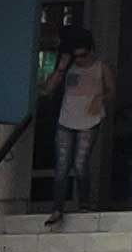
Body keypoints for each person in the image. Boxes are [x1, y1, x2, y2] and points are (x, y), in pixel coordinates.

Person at [49, 39, 114, 226]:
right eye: (75, 56)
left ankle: (84, 204)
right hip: (66, 120)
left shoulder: (101, 66)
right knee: (62, 165)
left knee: (80, 163)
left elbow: (111, 90)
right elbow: (48, 88)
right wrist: (61, 68)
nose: (79, 60)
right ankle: (57, 207)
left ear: (91, 52)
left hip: (90, 120)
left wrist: (100, 99)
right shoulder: (68, 67)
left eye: (83, 55)